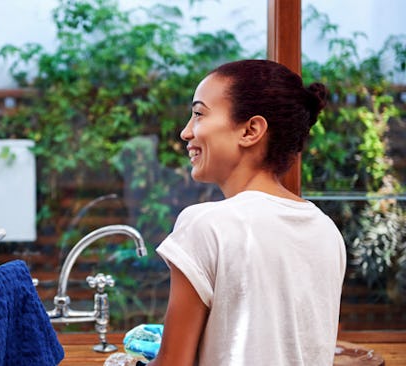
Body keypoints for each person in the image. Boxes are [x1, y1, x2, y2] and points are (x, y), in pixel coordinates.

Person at [148, 60, 346, 365]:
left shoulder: (206, 225)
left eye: (199, 114)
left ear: (251, 130)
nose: (186, 132)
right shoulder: (325, 230)